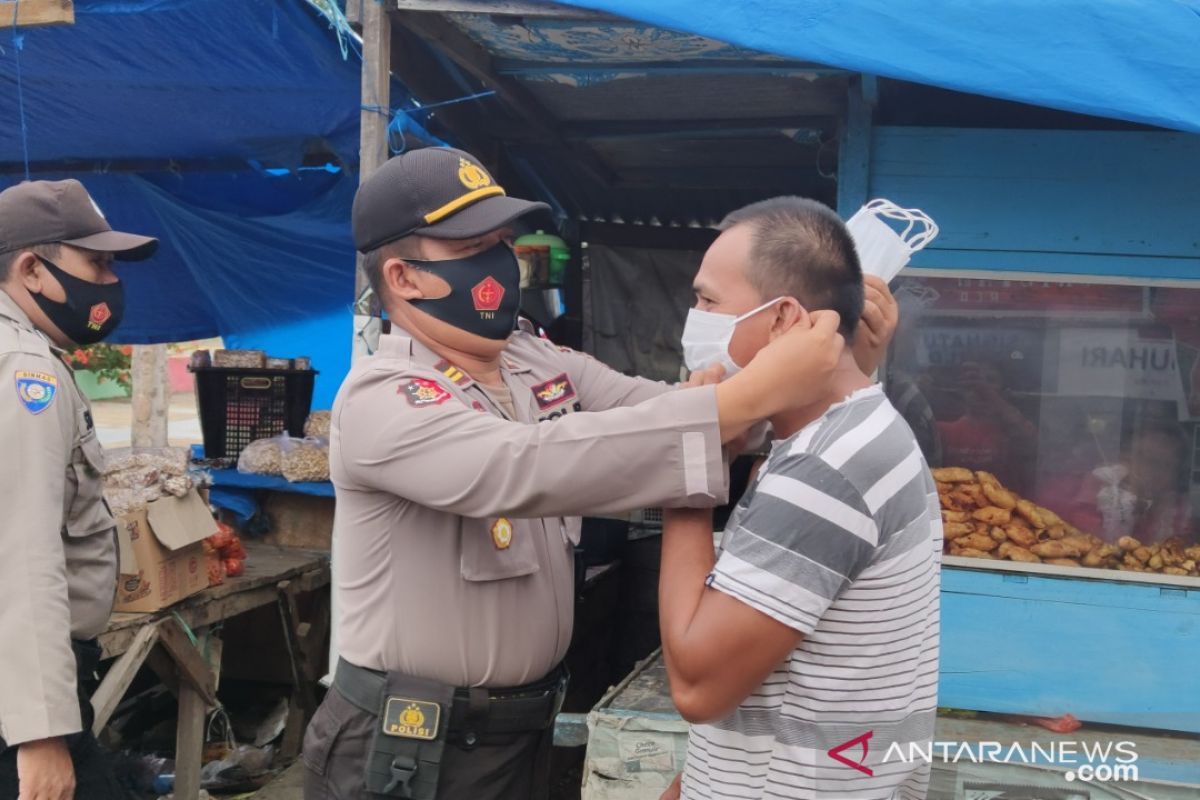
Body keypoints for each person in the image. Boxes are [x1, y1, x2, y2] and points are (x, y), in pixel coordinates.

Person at [302, 148, 896, 800]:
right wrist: (738, 401)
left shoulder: (532, 361)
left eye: (504, 242)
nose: (502, 261)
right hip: (411, 750)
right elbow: (521, 465)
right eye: (474, 246)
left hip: (517, 733)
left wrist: (826, 363)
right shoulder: (383, 398)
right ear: (404, 278)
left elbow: (667, 418)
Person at [657, 197, 941, 800]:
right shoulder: (847, 432)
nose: (694, 316)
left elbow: (696, 688)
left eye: (708, 301)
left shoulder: (822, 470)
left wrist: (691, 473)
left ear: (784, 317)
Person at [0, 179, 158, 800]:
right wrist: (42, 734)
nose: (110, 280)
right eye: (95, 262)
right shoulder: (25, 371)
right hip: (20, 698)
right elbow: (22, 553)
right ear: (31, 269)